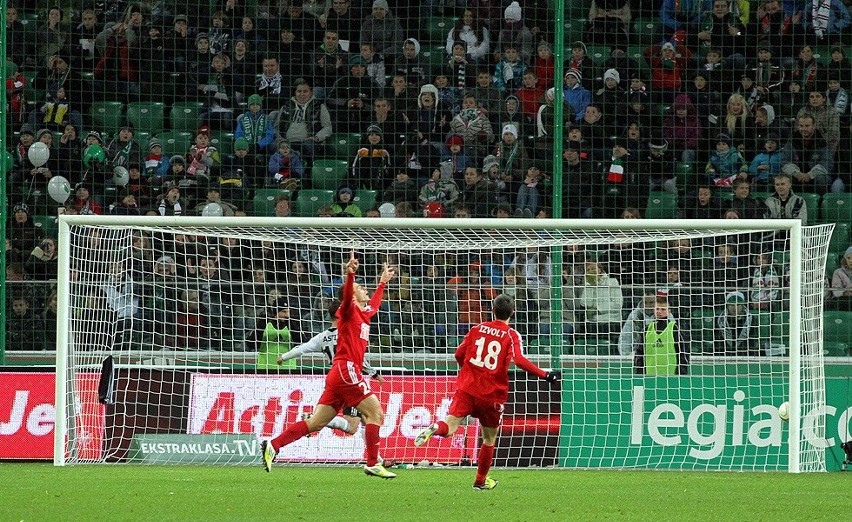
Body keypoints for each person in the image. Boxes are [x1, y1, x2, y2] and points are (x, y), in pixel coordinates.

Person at [262, 253, 397, 479]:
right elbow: (346, 296)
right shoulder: (347, 311)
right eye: (361, 287)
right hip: (347, 370)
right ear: (352, 294)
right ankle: (373, 463)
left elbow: (374, 305)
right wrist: (350, 275)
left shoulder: (364, 315)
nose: (365, 290)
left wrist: (382, 283)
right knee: (376, 413)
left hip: (338, 375)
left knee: (315, 423)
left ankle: (273, 445)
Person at [414, 293, 560, 490]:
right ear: (513, 313)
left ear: (492, 311)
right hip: (492, 395)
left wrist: (467, 371)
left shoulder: (477, 329)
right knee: (489, 438)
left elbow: (458, 354)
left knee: (450, 427)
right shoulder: (511, 334)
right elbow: (519, 361)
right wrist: (545, 375)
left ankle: (435, 428)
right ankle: (480, 481)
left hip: (466, 388)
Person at [277, 298, 385, 438]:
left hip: (335, 378)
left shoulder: (323, 337)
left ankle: (376, 458)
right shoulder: (349, 332)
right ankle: (316, 419)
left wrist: (283, 357)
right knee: (360, 423)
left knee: (365, 420)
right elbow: (360, 360)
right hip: (351, 379)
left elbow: (302, 348)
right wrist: (374, 374)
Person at [633, 295, 689, 375]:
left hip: (671, 376)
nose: (659, 311)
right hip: (649, 375)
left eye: (663, 309)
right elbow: (639, 353)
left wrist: (681, 373)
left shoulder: (675, 329)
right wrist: (640, 372)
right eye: (657, 309)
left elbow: (683, 353)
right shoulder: (647, 329)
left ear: (669, 311)